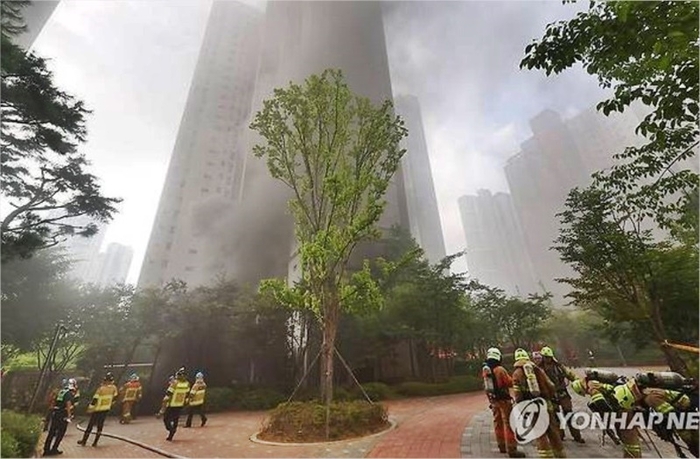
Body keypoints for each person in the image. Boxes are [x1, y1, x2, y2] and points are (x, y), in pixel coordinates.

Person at [614, 376, 698, 458]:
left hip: (691, 406)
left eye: (634, 404)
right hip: (685, 410)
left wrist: (667, 431)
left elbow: (673, 417)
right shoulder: (645, 392)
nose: (636, 406)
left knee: (693, 442)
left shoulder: (651, 398)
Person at [511, 348, 565, 458]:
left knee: (540, 434)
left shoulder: (516, 374)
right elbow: (551, 386)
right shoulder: (538, 369)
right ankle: (560, 454)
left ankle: (546, 456)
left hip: (532, 408)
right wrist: (550, 397)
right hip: (546, 404)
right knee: (553, 431)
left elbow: (518, 396)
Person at [482, 348, 525, 458]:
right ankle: (512, 449)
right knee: (508, 424)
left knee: (498, 423)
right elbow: (509, 382)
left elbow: (487, 388)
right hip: (504, 401)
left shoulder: (486, 370)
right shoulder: (500, 370)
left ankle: (501, 446)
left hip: (494, 401)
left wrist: (491, 401)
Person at [540, 346, 584, 443]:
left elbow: (570, 374)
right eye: (545, 357)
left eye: (548, 357)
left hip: (562, 392)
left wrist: (578, 381)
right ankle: (560, 435)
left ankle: (577, 436)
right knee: (556, 416)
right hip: (550, 395)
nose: (547, 359)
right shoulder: (539, 369)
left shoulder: (559, 367)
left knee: (569, 413)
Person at [77, 372, 119, 447]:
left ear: (105, 380)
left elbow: (95, 399)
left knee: (90, 425)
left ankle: (84, 441)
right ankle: (95, 442)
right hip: (106, 409)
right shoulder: (114, 388)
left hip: (97, 409)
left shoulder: (101, 389)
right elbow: (115, 397)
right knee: (100, 425)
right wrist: (110, 404)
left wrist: (90, 408)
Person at [43, 379, 77, 456]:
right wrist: (69, 415)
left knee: (52, 432)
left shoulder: (61, 392)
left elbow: (54, 401)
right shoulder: (69, 393)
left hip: (56, 413)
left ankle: (46, 449)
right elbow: (68, 404)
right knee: (61, 432)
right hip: (63, 414)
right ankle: (54, 449)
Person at [161, 367, 191, 441]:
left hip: (171, 404)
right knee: (175, 418)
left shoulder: (174, 383)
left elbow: (168, 394)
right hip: (180, 404)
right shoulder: (187, 384)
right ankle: (173, 431)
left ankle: (171, 430)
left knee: (166, 419)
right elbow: (187, 394)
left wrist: (162, 408)